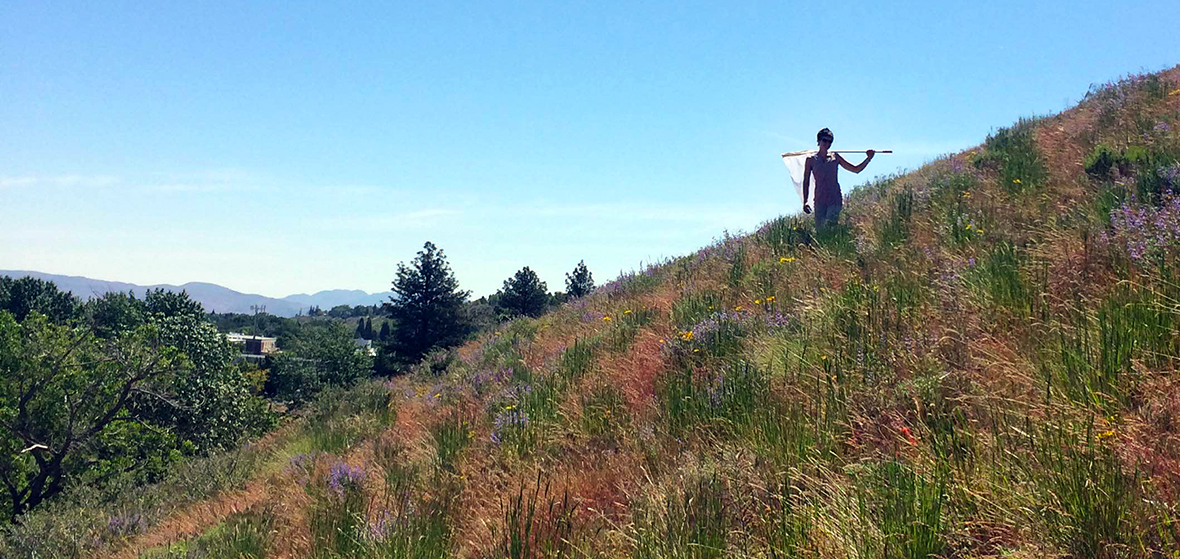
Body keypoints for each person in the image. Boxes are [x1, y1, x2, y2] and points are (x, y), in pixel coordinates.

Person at [802, 128, 874, 232]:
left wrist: (868, 159)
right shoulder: (811, 160)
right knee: (820, 232)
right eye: (824, 140)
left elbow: (855, 169)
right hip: (819, 200)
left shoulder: (835, 157)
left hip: (834, 199)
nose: (827, 144)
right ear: (818, 141)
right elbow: (806, 182)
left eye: (830, 141)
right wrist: (805, 201)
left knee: (830, 228)